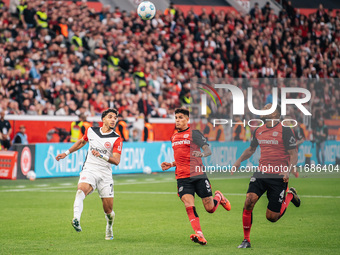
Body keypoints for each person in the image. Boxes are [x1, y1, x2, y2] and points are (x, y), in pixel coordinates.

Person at [232, 104, 301, 249]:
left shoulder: (285, 130)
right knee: (249, 201)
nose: (262, 110)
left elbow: (293, 154)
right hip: (261, 172)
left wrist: (288, 170)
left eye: (267, 108)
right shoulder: (258, 130)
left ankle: (289, 195)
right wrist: (238, 160)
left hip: (278, 175)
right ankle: (246, 240)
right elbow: (251, 149)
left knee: (272, 217)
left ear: (275, 114)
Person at [161, 108, 231, 246]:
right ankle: (200, 234)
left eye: (181, 117)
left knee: (210, 208)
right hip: (182, 177)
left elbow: (207, 150)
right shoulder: (173, 137)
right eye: (176, 117)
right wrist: (171, 164)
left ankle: (219, 197)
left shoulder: (194, 134)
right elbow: (182, 158)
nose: (177, 120)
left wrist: (202, 154)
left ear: (187, 119)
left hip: (198, 175)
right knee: (188, 203)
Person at [55, 108, 123, 240]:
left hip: (105, 174)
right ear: (103, 119)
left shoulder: (116, 139)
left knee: (108, 211)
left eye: (115, 118)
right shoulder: (91, 131)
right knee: (81, 190)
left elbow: (116, 161)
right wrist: (66, 153)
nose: (113, 120)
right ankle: (76, 219)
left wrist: (102, 156)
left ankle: (109, 227)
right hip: (90, 169)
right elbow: (81, 142)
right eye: (110, 117)